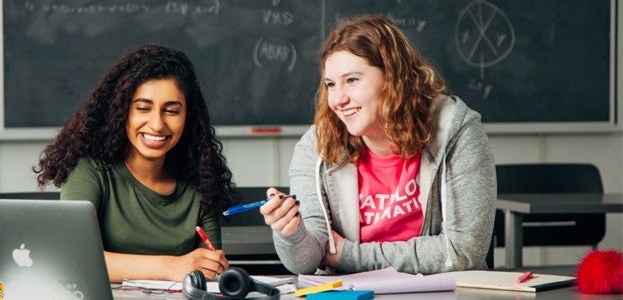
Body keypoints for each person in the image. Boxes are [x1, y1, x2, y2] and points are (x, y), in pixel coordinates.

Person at [259, 14, 496, 275]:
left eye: (352, 80)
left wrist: (349, 255)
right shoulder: (316, 145)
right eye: (330, 85)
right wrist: (290, 232)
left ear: (393, 79)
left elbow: (463, 252)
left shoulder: (457, 131)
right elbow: (308, 260)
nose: (338, 100)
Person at [34, 44, 240, 282]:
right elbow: (71, 257)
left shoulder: (201, 179)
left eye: (171, 111)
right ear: (121, 111)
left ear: (188, 118)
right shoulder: (91, 172)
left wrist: (211, 265)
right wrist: (171, 267)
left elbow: (207, 270)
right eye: (143, 108)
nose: (156, 125)